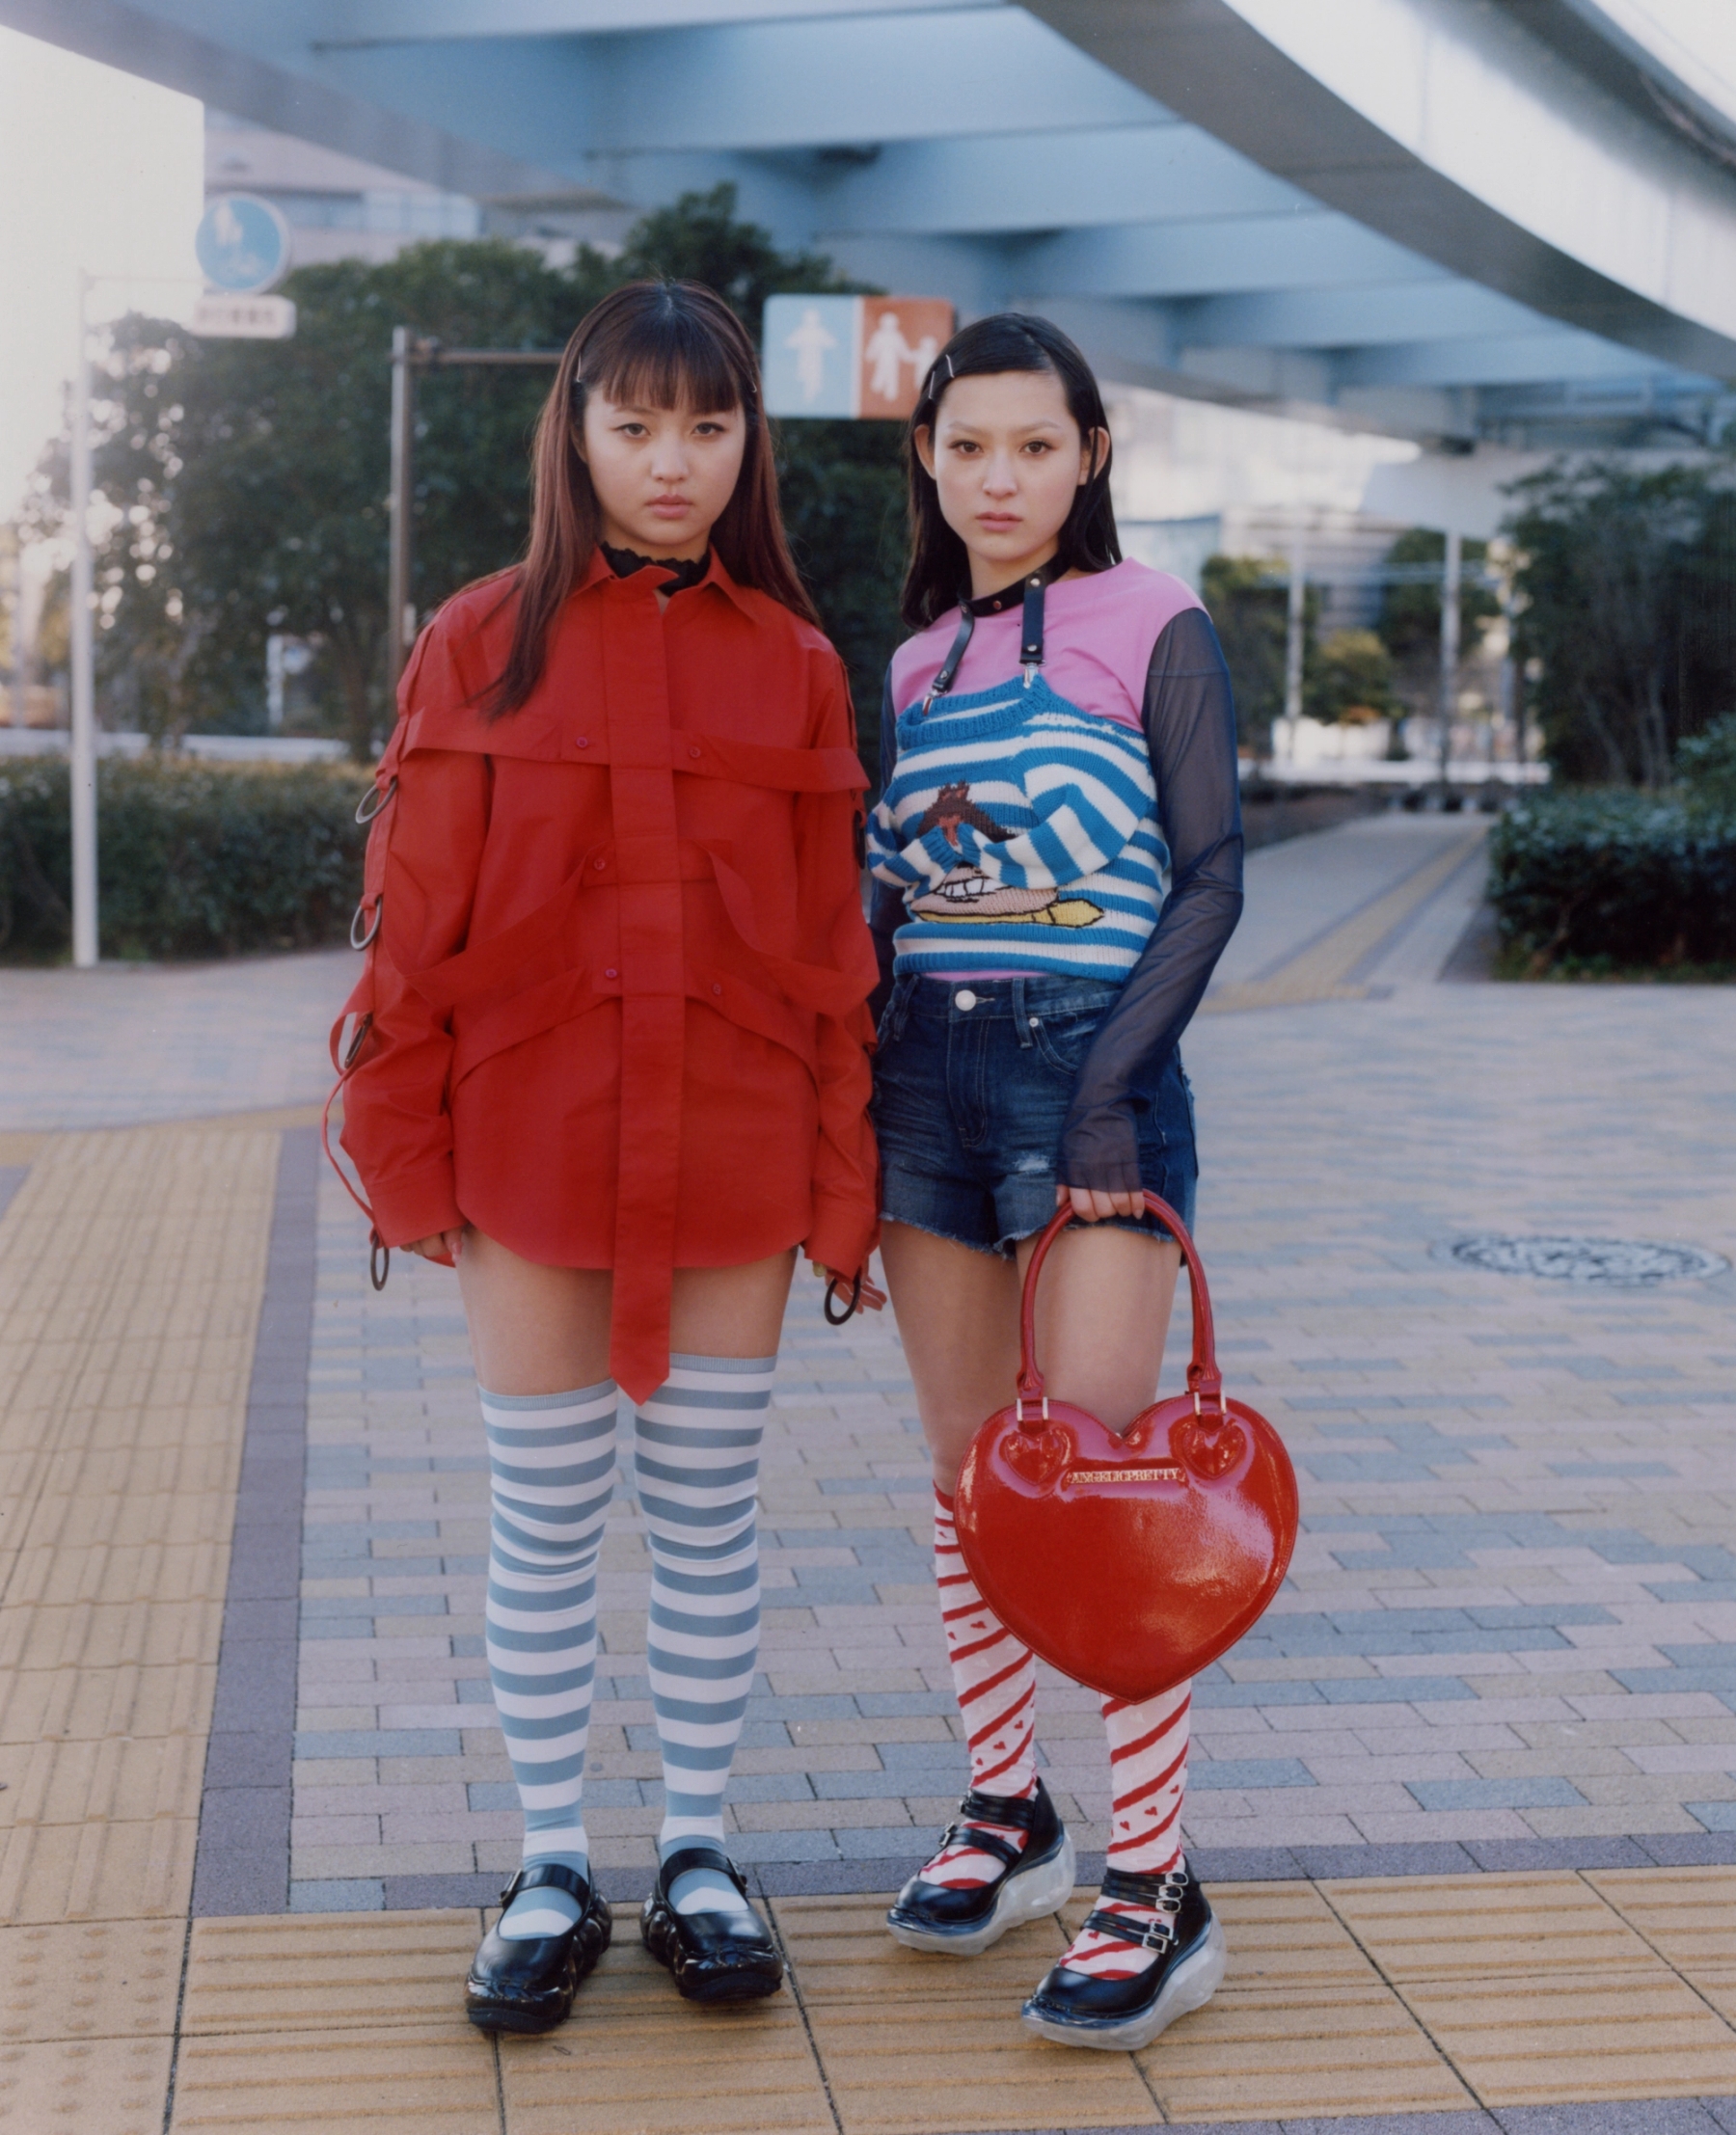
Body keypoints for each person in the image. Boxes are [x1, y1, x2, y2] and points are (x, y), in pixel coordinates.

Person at [334, 280, 880, 2035]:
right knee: (548, 1515)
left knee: (712, 1521)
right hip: (533, 1153)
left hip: (730, 1150)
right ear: (574, 431)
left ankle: (700, 1852)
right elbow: (411, 926)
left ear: (748, 445)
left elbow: (832, 952)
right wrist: (402, 1157)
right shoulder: (476, 637)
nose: (673, 461)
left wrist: (841, 1181)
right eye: (637, 424)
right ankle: (556, 1858)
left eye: (709, 427)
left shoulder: (794, 660)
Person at [866, 313, 1244, 2051]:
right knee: (968, 1479)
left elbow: (1214, 875)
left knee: (1098, 1497)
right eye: (966, 448)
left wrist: (1108, 1092)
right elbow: (884, 907)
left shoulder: (1155, 618)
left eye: (1034, 444)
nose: (997, 477)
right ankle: (1011, 1804)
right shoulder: (914, 660)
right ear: (929, 463)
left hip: (1095, 1074)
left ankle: (1155, 1882)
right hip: (925, 1083)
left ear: (1090, 451)